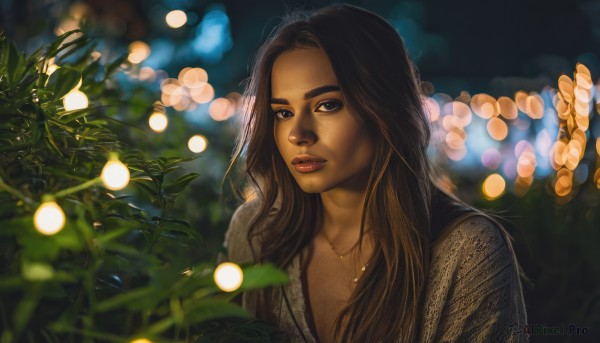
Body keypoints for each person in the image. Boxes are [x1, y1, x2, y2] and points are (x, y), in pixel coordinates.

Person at [223, 4, 528, 342]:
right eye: (282, 112)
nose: (298, 134)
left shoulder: (465, 252)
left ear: (384, 107)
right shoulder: (256, 232)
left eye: (327, 104)